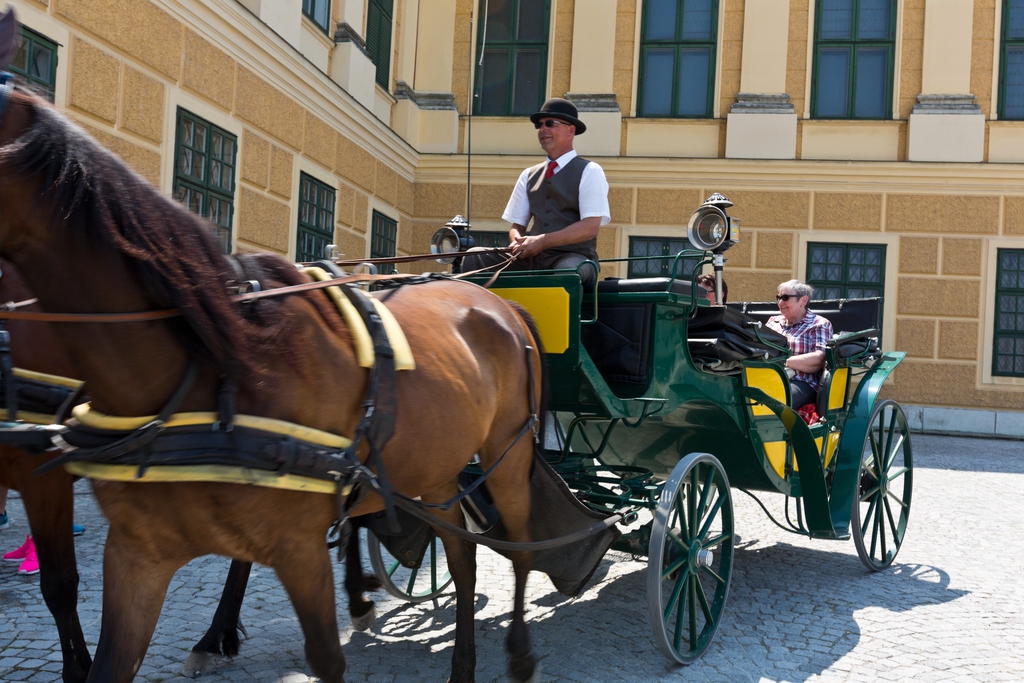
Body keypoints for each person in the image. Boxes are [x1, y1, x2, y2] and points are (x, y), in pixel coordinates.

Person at [461, 98, 610, 285]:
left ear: (570, 130)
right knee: (474, 256)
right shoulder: (528, 174)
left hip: (575, 257)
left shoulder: (590, 171)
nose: (543, 129)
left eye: (550, 123)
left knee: (567, 272)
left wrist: (542, 241)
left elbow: (591, 227)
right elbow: (517, 226)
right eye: (540, 125)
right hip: (532, 259)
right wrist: (518, 242)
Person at [766, 280, 833, 408]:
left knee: (776, 400)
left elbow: (819, 359)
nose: (780, 303)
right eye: (778, 298)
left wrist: (782, 361)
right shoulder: (773, 322)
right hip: (768, 377)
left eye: (785, 298)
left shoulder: (819, 324)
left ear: (803, 301)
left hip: (802, 382)